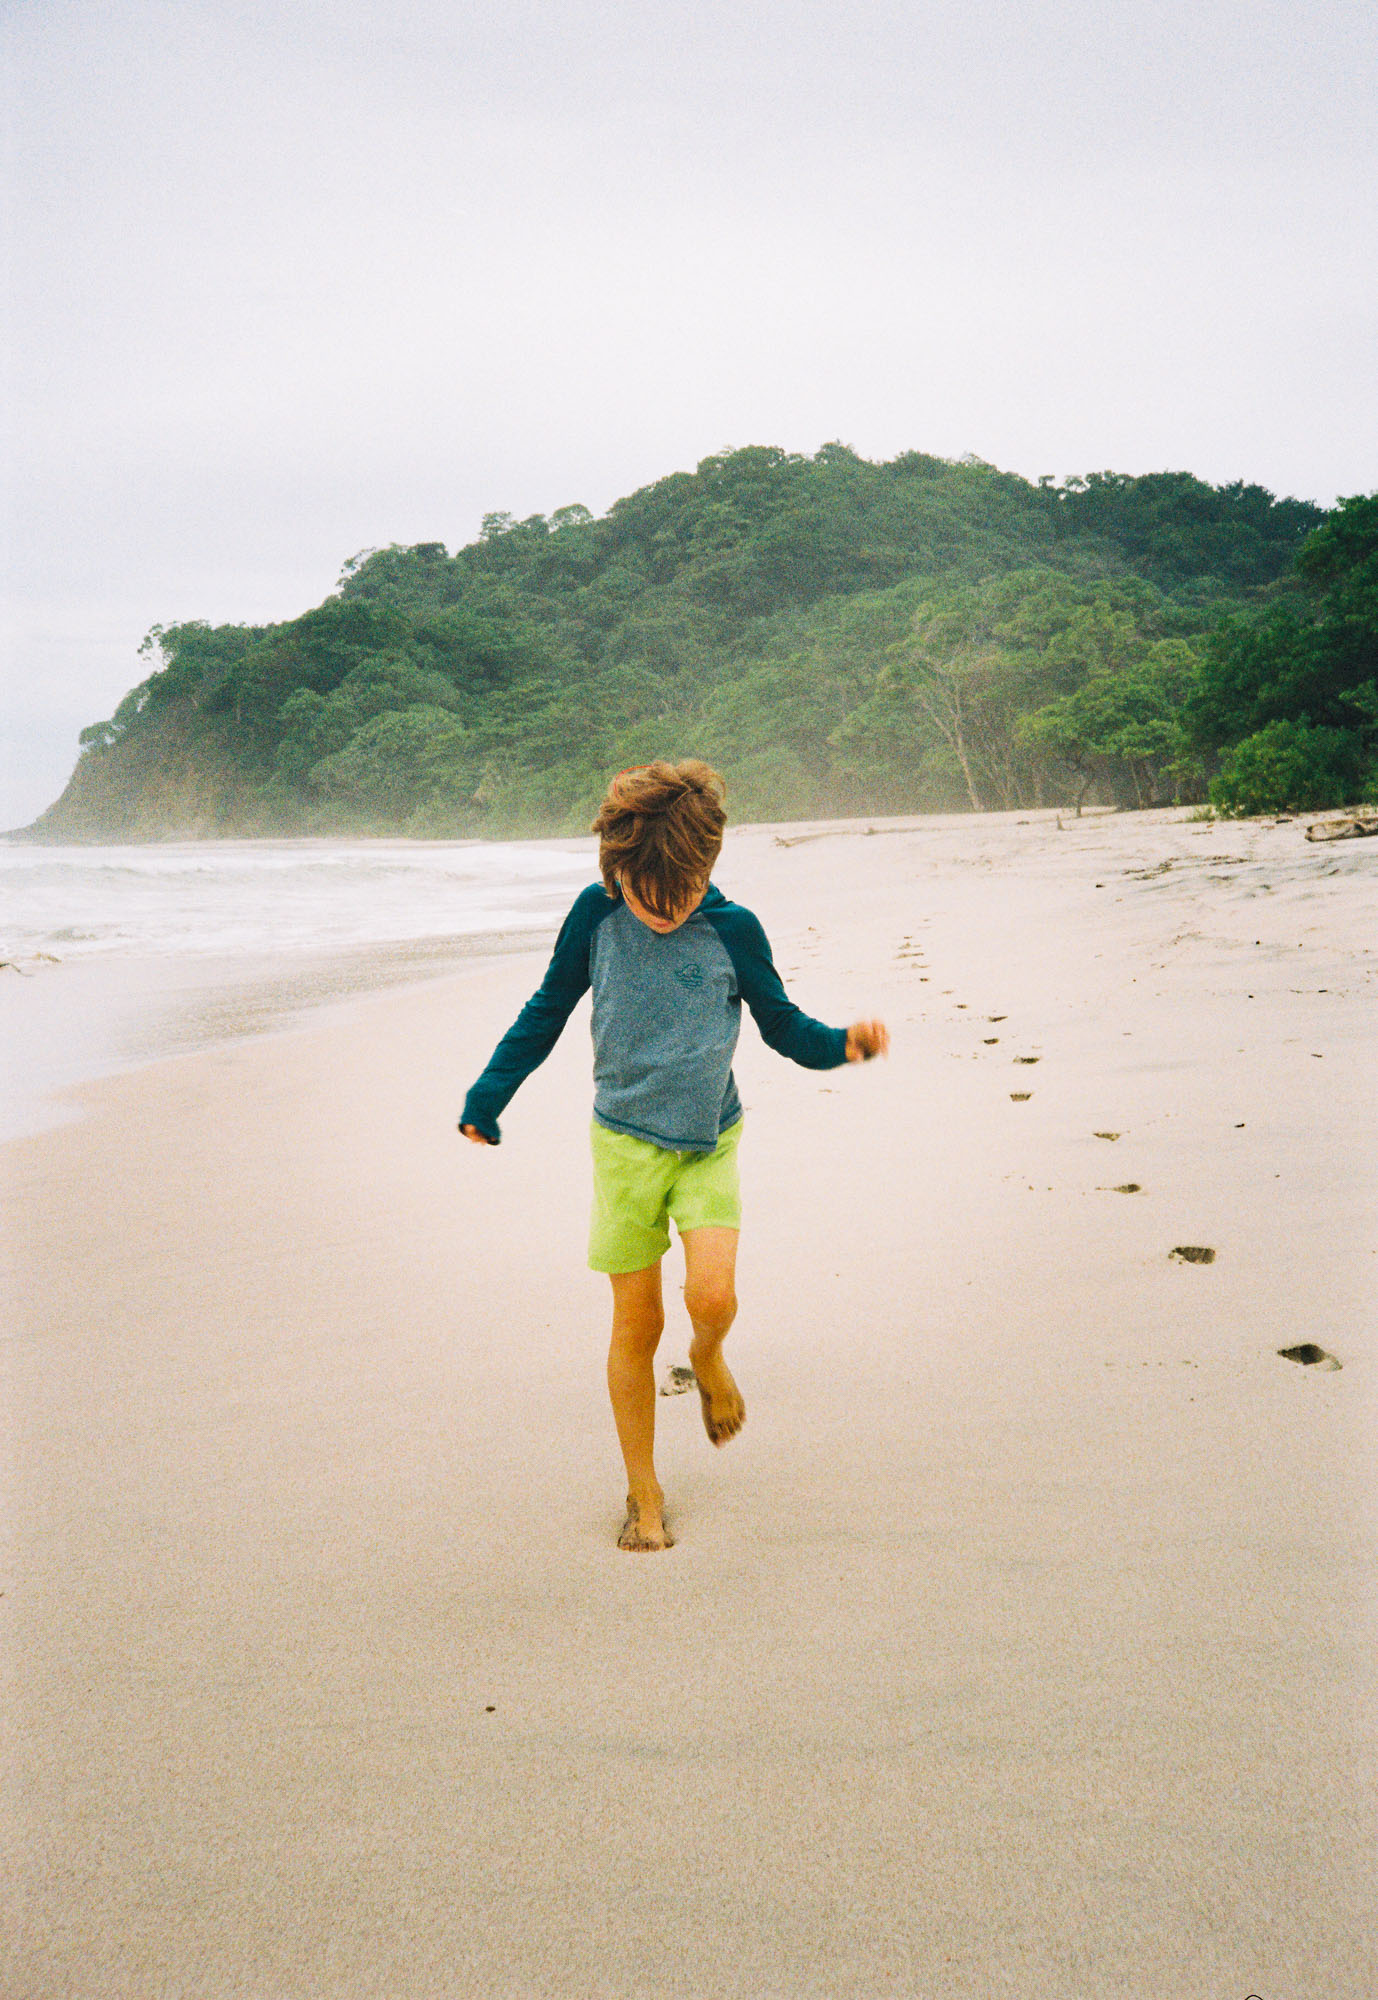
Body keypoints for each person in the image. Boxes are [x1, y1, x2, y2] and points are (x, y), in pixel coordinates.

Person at [459, 760, 889, 1553]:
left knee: (712, 1299)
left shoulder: (734, 930)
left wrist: (841, 1047)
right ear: (616, 869)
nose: (663, 910)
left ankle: (709, 1358)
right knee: (637, 1320)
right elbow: (546, 1010)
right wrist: (489, 1095)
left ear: (708, 869)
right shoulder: (594, 917)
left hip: (708, 1143)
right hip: (622, 1147)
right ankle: (644, 1492)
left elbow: (783, 1026)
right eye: (646, 894)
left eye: (681, 893)